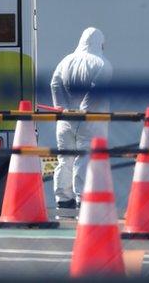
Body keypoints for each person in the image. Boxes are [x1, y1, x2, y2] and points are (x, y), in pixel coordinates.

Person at [51, 27, 113, 210]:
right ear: (100, 43)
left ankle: (63, 199)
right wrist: (84, 112)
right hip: (91, 120)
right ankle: (83, 198)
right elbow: (96, 90)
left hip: (65, 119)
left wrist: (60, 107)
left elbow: (55, 83)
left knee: (65, 158)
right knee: (84, 158)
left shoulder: (66, 60)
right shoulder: (102, 64)